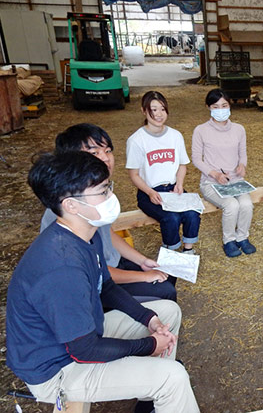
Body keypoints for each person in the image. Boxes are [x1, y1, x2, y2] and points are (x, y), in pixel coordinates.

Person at [6, 151, 199, 412]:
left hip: (81, 336)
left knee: (166, 312)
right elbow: (84, 350)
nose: (111, 197)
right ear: (71, 204)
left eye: (108, 187)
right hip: (57, 367)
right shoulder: (61, 267)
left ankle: (152, 402)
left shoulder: (86, 232)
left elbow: (106, 286)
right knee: (173, 377)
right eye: (102, 191)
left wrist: (148, 320)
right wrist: (150, 345)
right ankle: (162, 385)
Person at [40, 123, 177, 302]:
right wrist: (145, 276)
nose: (105, 158)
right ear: (72, 160)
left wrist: (142, 261)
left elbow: (107, 234)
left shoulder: (99, 190)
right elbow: (95, 271)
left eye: (108, 150)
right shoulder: (71, 208)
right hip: (96, 283)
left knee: (167, 274)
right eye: (95, 153)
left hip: (112, 263)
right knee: (164, 291)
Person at [126, 90, 201, 253]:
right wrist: (150, 192)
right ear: (144, 111)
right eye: (154, 109)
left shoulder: (175, 136)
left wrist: (179, 184)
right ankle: (171, 250)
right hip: (149, 193)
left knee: (192, 213)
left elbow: (182, 165)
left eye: (162, 109)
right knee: (171, 218)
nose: (159, 114)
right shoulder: (136, 140)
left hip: (173, 189)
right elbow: (134, 175)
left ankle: (188, 249)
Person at [192, 89, 256, 258]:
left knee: (247, 204)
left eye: (224, 105)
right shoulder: (201, 130)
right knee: (231, 205)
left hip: (235, 180)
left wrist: (242, 165)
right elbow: (197, 159)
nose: (221, 110)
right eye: (216, 106)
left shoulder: (239, 129)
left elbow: (243, 153)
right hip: (211, 182)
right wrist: (214, 174)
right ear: (208, 107)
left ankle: (243, 237)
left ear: (230, 105)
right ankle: (229, 240)